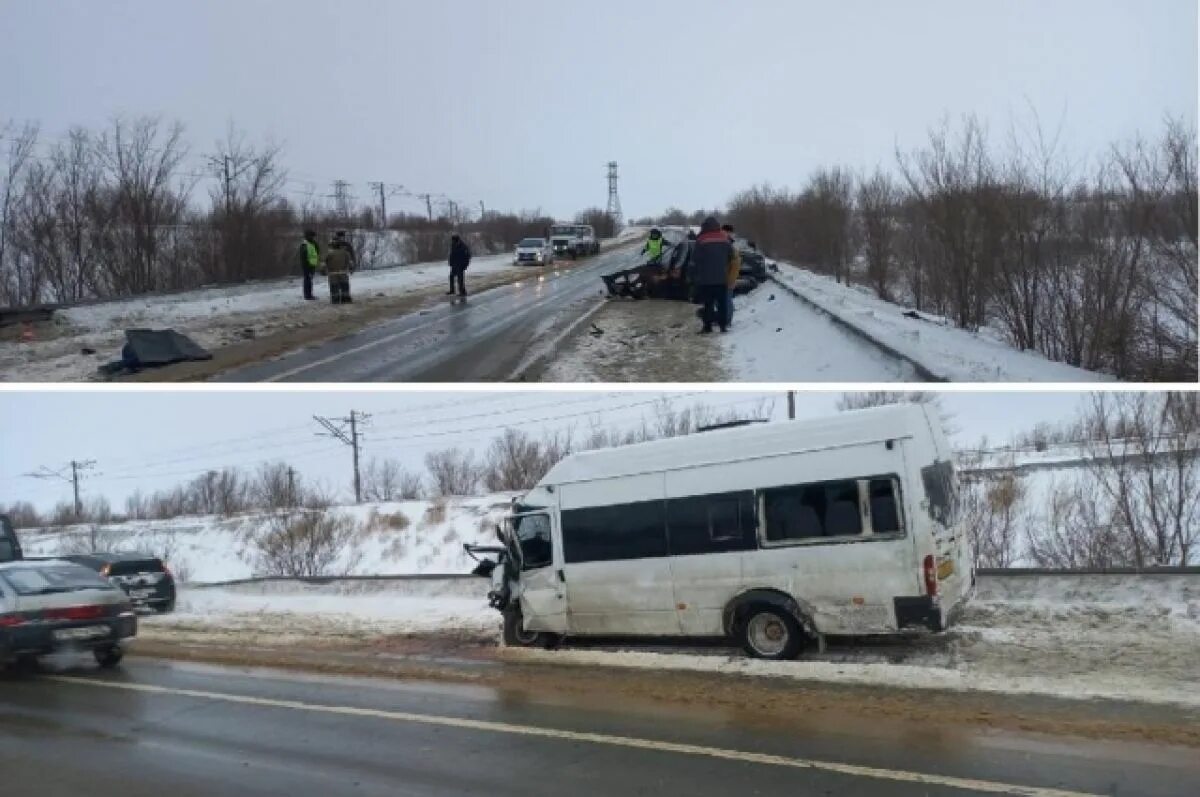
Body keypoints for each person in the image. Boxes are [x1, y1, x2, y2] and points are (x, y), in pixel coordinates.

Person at [691, 217, 736, 333]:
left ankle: (707, 327)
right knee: (722, 304)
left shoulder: (701, 239)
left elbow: (695, 258)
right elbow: (732, 256)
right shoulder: (725, 238)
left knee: (708, 304)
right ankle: (723, 326)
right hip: (722, 278)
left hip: (706, 279)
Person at [324, 230, 357, 304]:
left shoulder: (331, 245)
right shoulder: (345, 245)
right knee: (342, 284)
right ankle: (344, 298)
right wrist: (352, 266)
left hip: (336, 271)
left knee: (336, 285)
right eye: (341, 236)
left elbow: (324, 258)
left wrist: (324, 268)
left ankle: (337, 299)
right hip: (341, 270)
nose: (341, 238)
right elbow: (351, 257)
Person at [722, 224, 741, 328]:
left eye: (723, 232)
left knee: (727, 300)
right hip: (723, 277)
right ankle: (725, 319)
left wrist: (732, 280)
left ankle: (728, 321)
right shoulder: (727, 243)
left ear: (728, 232)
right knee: (724, 300)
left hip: (728, 278)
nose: (722, 234)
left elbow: (735, 265)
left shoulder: (731, 245)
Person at [298, 229, 320, 300]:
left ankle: (309, 294)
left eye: (313, 236)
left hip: (312, 265)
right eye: (311, 236)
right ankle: (308, 295)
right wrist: (306, 266)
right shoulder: (304, 245)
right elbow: (303, 256)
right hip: (307, 265)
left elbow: (317, 251)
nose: (312, 238)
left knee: (309, 280)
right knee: (307, 280)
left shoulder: (313, 244)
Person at [448, 233, 472, 297]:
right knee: (451, 277)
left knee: (460, 279)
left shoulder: (463, 246)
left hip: (461, 265)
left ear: (457, 240)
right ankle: (452, 290)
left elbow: (468, 256)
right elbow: (451, 254)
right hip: (454, 264)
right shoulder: (453, 245)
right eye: (452, 240)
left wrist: (465, 265)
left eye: (453, 240)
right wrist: (450, 262)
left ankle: (462, 292)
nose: (452, 241)